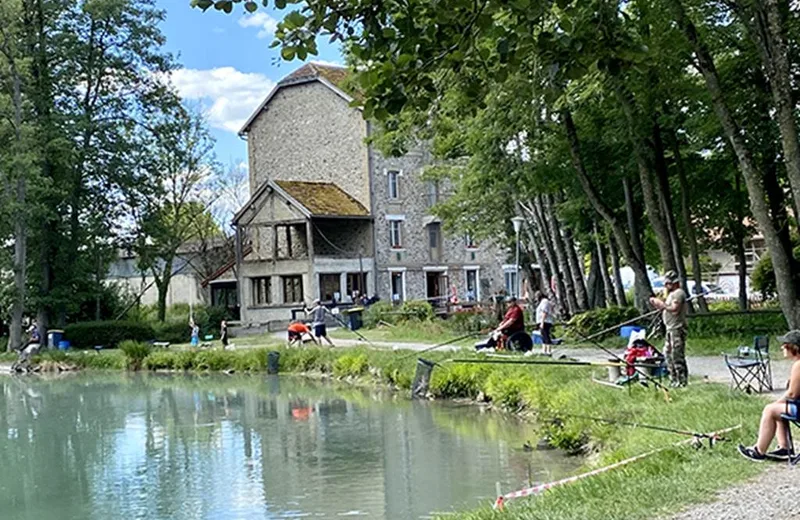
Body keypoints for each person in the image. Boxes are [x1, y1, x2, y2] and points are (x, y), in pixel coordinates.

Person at [738, 330, 800, 462]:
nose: (782, 347)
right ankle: (784, 448)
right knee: (778, 409)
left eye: (785, 344)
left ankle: (758, 451)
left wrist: (777, 402)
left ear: (794, 347)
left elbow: (792, 394)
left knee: (770, 409)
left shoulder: (799, 365)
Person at [649, 270, 688, 387]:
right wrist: (657, 303)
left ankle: (682, 381)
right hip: (669, 328)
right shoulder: (670, 294)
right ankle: (673, 378)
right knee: (667, 354)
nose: (665, 285)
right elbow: (666, 308)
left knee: (677, 355)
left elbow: (674, 309)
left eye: (668, 283)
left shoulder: (679, 293)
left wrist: (662, 304)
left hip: (677, 328)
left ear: (674, 283)